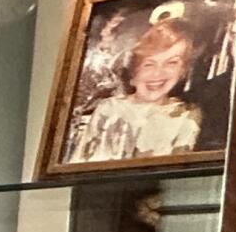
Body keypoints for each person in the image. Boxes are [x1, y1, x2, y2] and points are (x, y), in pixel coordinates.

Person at [67, 9, 204, 166]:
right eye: (149, 64)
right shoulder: (108, 109)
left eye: (172, 62)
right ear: (135, 69)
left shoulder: (186, 116)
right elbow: (79, 166)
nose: (158, 73)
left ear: (183, 69)